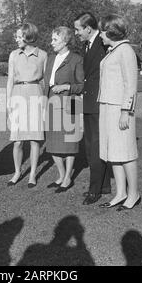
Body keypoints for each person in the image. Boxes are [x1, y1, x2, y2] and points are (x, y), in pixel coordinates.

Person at [96, 14, 140, 211]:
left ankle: (134, 194)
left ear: (111, 31)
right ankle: (121, 193)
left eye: (102, 31)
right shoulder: (112, 51)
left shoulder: (126, 51)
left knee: (126, 152)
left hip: (119, 109)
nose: (100, 36)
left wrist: (125, 111)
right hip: (107, 107)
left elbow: (131, 85)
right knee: (113, 152)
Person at [73, 12, 112, 205]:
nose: (76, 33)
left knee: (95, 146)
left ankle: (94, 189)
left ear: (88, 28)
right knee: (91, 146)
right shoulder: (86, 44)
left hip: (98, 101)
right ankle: (104, 186)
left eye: (78, 29)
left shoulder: (104, 43)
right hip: (89, 101)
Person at [7, 23, 47, 188]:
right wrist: (9, 102)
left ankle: (32, 174)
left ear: (28, 36)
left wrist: (44, 103)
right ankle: (17, 172)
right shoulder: (14, 55)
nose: (16, 39)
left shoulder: (43, 55)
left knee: (35, 139)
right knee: (17, 140)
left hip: (36, 94)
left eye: (18, 36)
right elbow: (10, 79)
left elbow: (44, 80)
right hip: (17, 94)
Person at [44, 26, 84, 193]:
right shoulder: (51, 58)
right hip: (52, 103)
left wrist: (67, 86)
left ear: (65, 40)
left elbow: (82, 85)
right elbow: (47, 82)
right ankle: (61, 175)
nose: (51, 42)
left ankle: (68, 177)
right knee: (52, 143)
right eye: (52, 39)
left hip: (70, 103)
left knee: (69, 144)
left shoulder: (76, 59)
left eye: (55, 39)